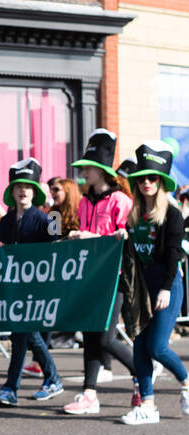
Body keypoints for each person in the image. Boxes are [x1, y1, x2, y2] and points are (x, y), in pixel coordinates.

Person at [63, 129, 134, 416]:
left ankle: (142, 371)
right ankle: (89, 394)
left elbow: (124, 237)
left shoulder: (121, 201)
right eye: (82, 168)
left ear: (102, 171)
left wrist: (89, 237)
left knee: (105, 337)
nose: (84, 173)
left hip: (114, 278)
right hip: (90, 277)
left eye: (88, 168)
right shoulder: (82, 202)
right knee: (91, 335)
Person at [120, 142, 189, 425]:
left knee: (158, 347)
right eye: (142, 178)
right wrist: (121, 239)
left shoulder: (171, 214)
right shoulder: (134, 215)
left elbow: (174, 254)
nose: (147, 182)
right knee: (139, 345)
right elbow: (133, 253)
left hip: (166, 285)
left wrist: (164, 288)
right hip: (141, 288)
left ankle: (185, 382)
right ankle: (147, 405)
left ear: (161, 182)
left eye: (153, 178)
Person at [0, 159, 64, 407]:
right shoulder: (5, 221)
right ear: (12, 191)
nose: (23, 191)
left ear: (35, 192)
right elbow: (0, 251)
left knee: (25, 333)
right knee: (22, 336)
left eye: (28, 187)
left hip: (37, 288)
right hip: (14, 287)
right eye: (18, 186)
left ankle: (13, 386)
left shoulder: (47, 217)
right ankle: (49, 379)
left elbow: (57, 243)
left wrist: (55, 211)